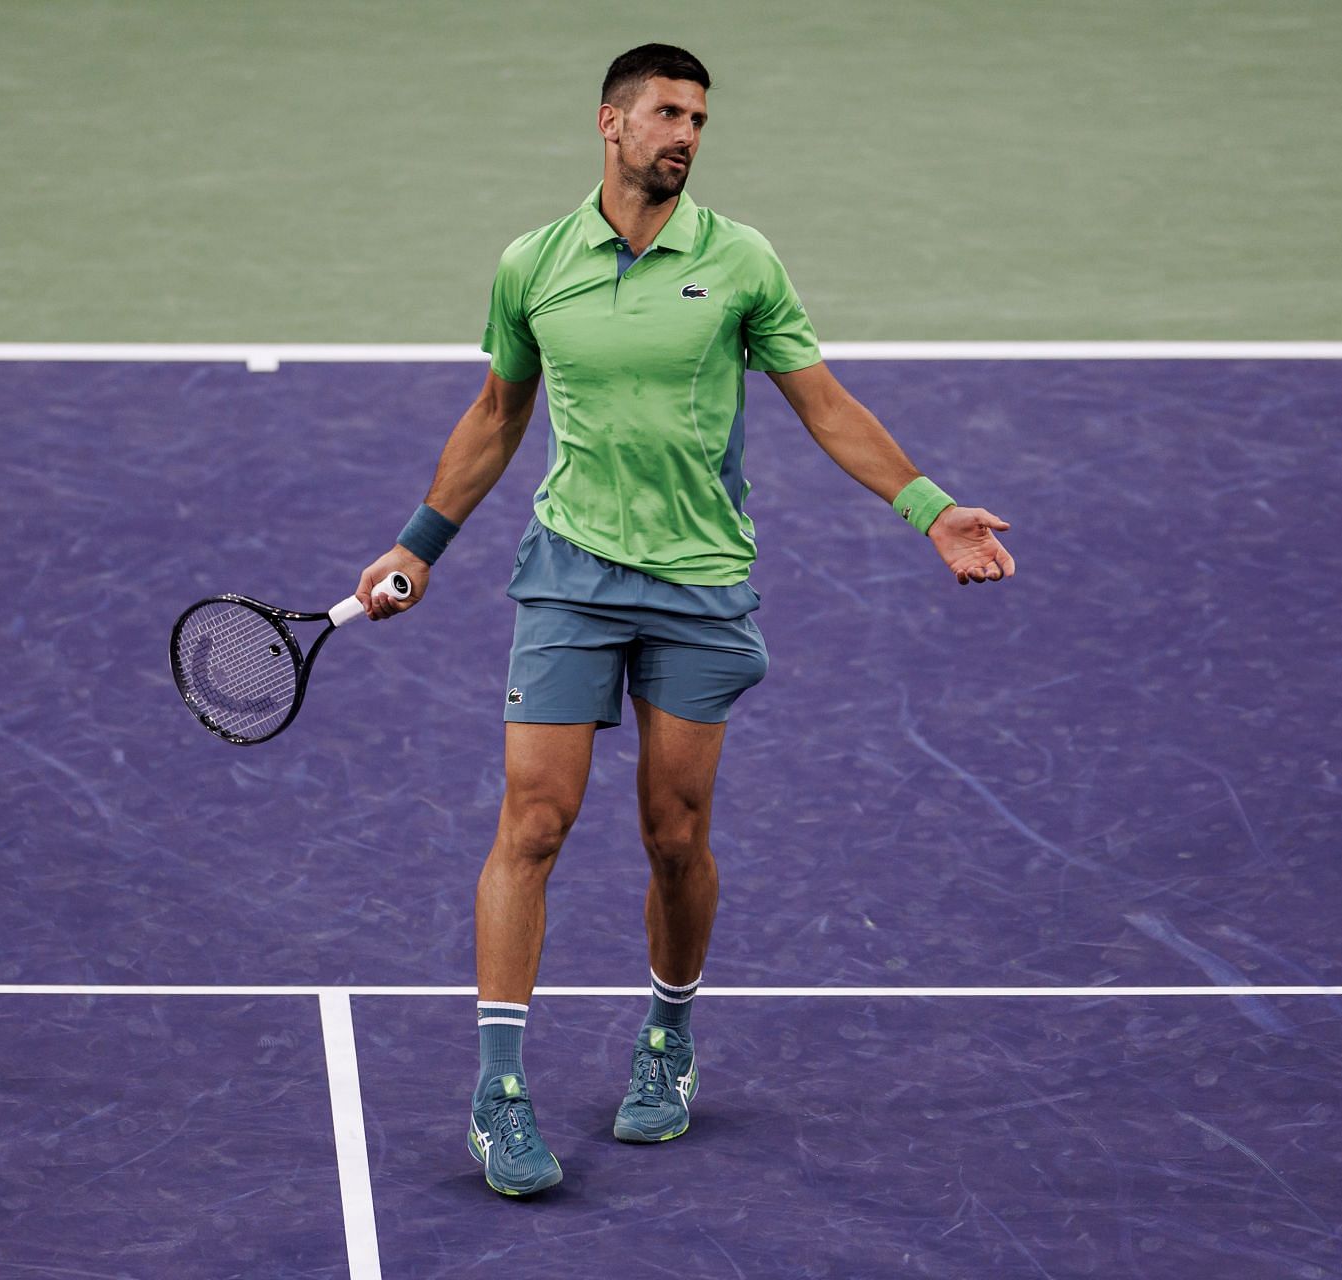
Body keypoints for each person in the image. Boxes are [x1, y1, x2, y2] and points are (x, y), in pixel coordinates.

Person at [353, 43, 1015, 1197]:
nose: (687, 134)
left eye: (700, 118)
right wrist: (421, 542)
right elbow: (497, 411)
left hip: (699, 581)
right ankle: (497, 1091)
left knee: (675, 833)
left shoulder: (742, 260)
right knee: (535, 820)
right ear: (609, 123)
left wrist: (931, 508)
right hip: (568, 575)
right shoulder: (534, 264)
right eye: (667, 112)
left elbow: (824, 400)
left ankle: (668, 1034)